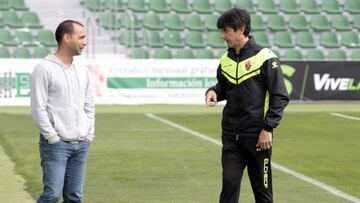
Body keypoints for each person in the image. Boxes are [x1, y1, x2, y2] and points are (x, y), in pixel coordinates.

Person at [205, 8, 289, 203]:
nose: (222, 36)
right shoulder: (225, 59)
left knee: (262, 192)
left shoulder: (265, 58)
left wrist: (268, 128)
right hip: (231, 136)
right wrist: (214, 91)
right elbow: (224, 86)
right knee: (229, 187)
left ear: (241, 29)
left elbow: (280, 96)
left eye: (226, 30)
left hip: (258, 137)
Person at [31, 20, 94, 203]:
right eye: (81, 37)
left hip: (81, 144)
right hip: (56, 145)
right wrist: (53, 137)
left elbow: (89, 106)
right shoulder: (44, 68)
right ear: (67, 38)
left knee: (74, 197)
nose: (85, 42)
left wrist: (89, 134)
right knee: (51, 195)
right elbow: (38, 108)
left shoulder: (82, 70)